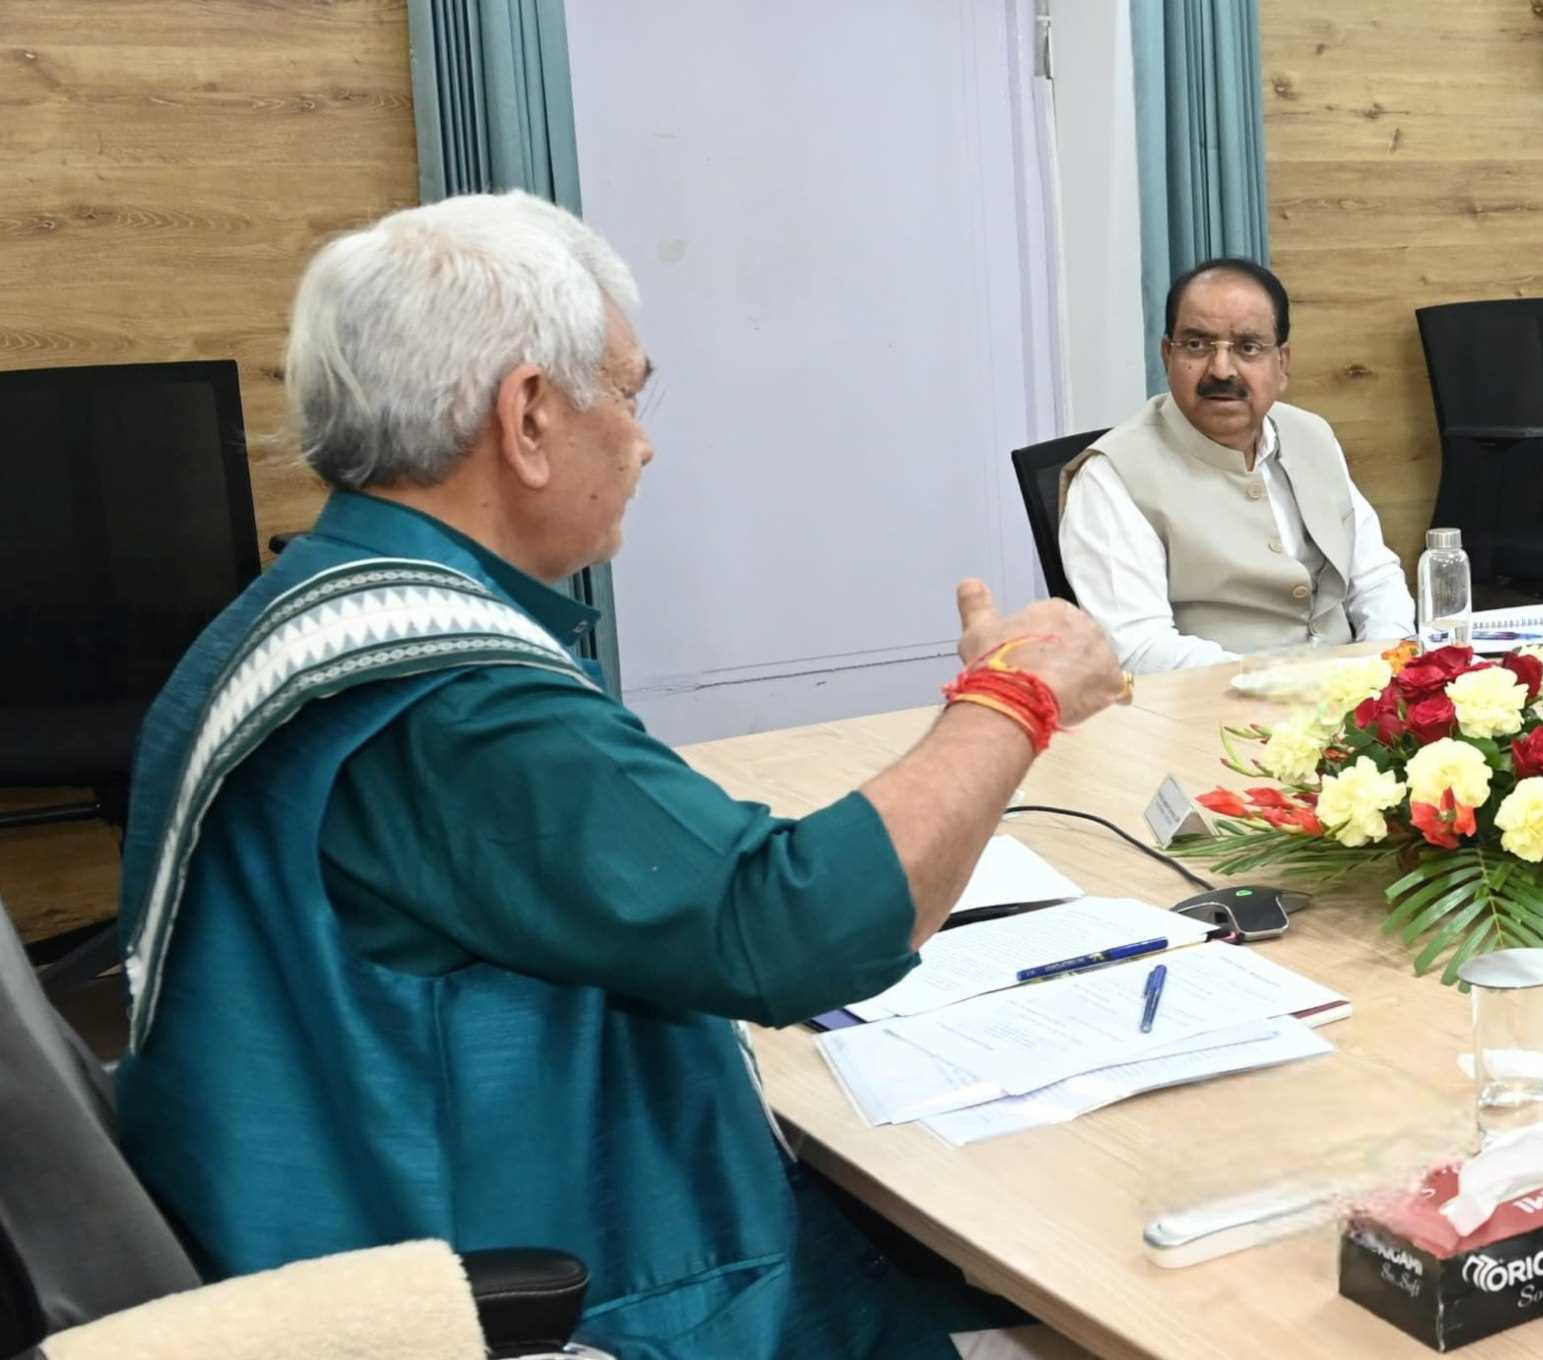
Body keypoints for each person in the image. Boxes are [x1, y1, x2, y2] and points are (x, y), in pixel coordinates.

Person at [111, 193, 1124, 1359]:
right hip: (512, 1289)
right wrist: (1014, 695)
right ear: (529, 416)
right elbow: (788, 930)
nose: (643, 442)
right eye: (630, 394)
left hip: (357, 1200)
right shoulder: (454, 703)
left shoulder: (311, 604)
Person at [1058, 258, 1414, 675]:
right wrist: (1289, 684)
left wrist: (1389, 665)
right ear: (1167, 355)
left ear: (1282, 363)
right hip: (1209, 706)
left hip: (1350, 694)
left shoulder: (1311, 435)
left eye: (1248, 347)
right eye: (1197, 345)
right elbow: (1137, 648)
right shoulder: (1112, 476)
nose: (1221, 370)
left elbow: (1374, 577)